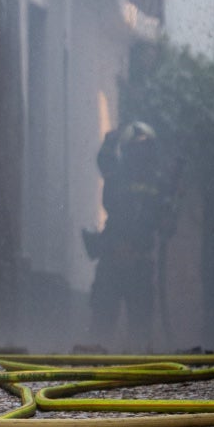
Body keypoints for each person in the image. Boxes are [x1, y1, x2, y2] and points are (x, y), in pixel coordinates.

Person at [83, 121, 167, 346]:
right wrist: (111, 140)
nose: (141, 153)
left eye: (145, 147)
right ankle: (95, 364)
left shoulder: (157, 182)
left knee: (140, 325)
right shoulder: (117, 174)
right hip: (113, 258)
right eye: (137, 147)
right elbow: (104, 160)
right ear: (128, 149)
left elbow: (162, 222)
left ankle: (139, 370)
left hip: (139, 262)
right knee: (102, 320)